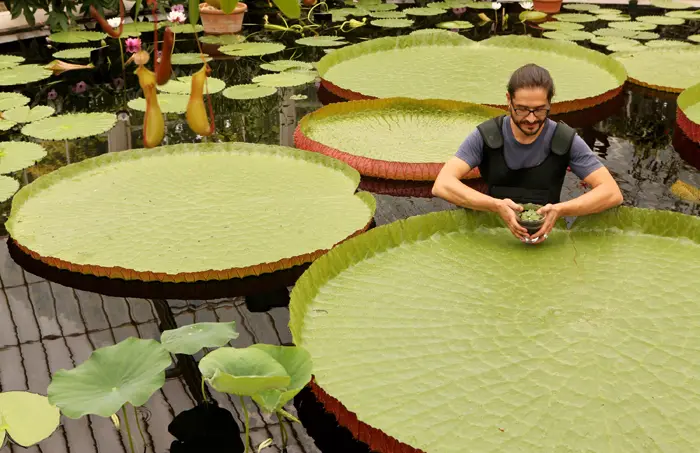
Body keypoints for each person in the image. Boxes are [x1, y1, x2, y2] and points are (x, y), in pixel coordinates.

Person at [432, 63, 623, 243]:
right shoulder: (486, 135)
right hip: (492, 236)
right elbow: (442, 184)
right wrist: (495, 205)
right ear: (509, 100)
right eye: (522, 109)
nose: (531, 119)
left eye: (540, 110)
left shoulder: (564, 139)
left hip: (544, 238)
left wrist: (561, 210)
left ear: (550, 103)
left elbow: (612, 193)